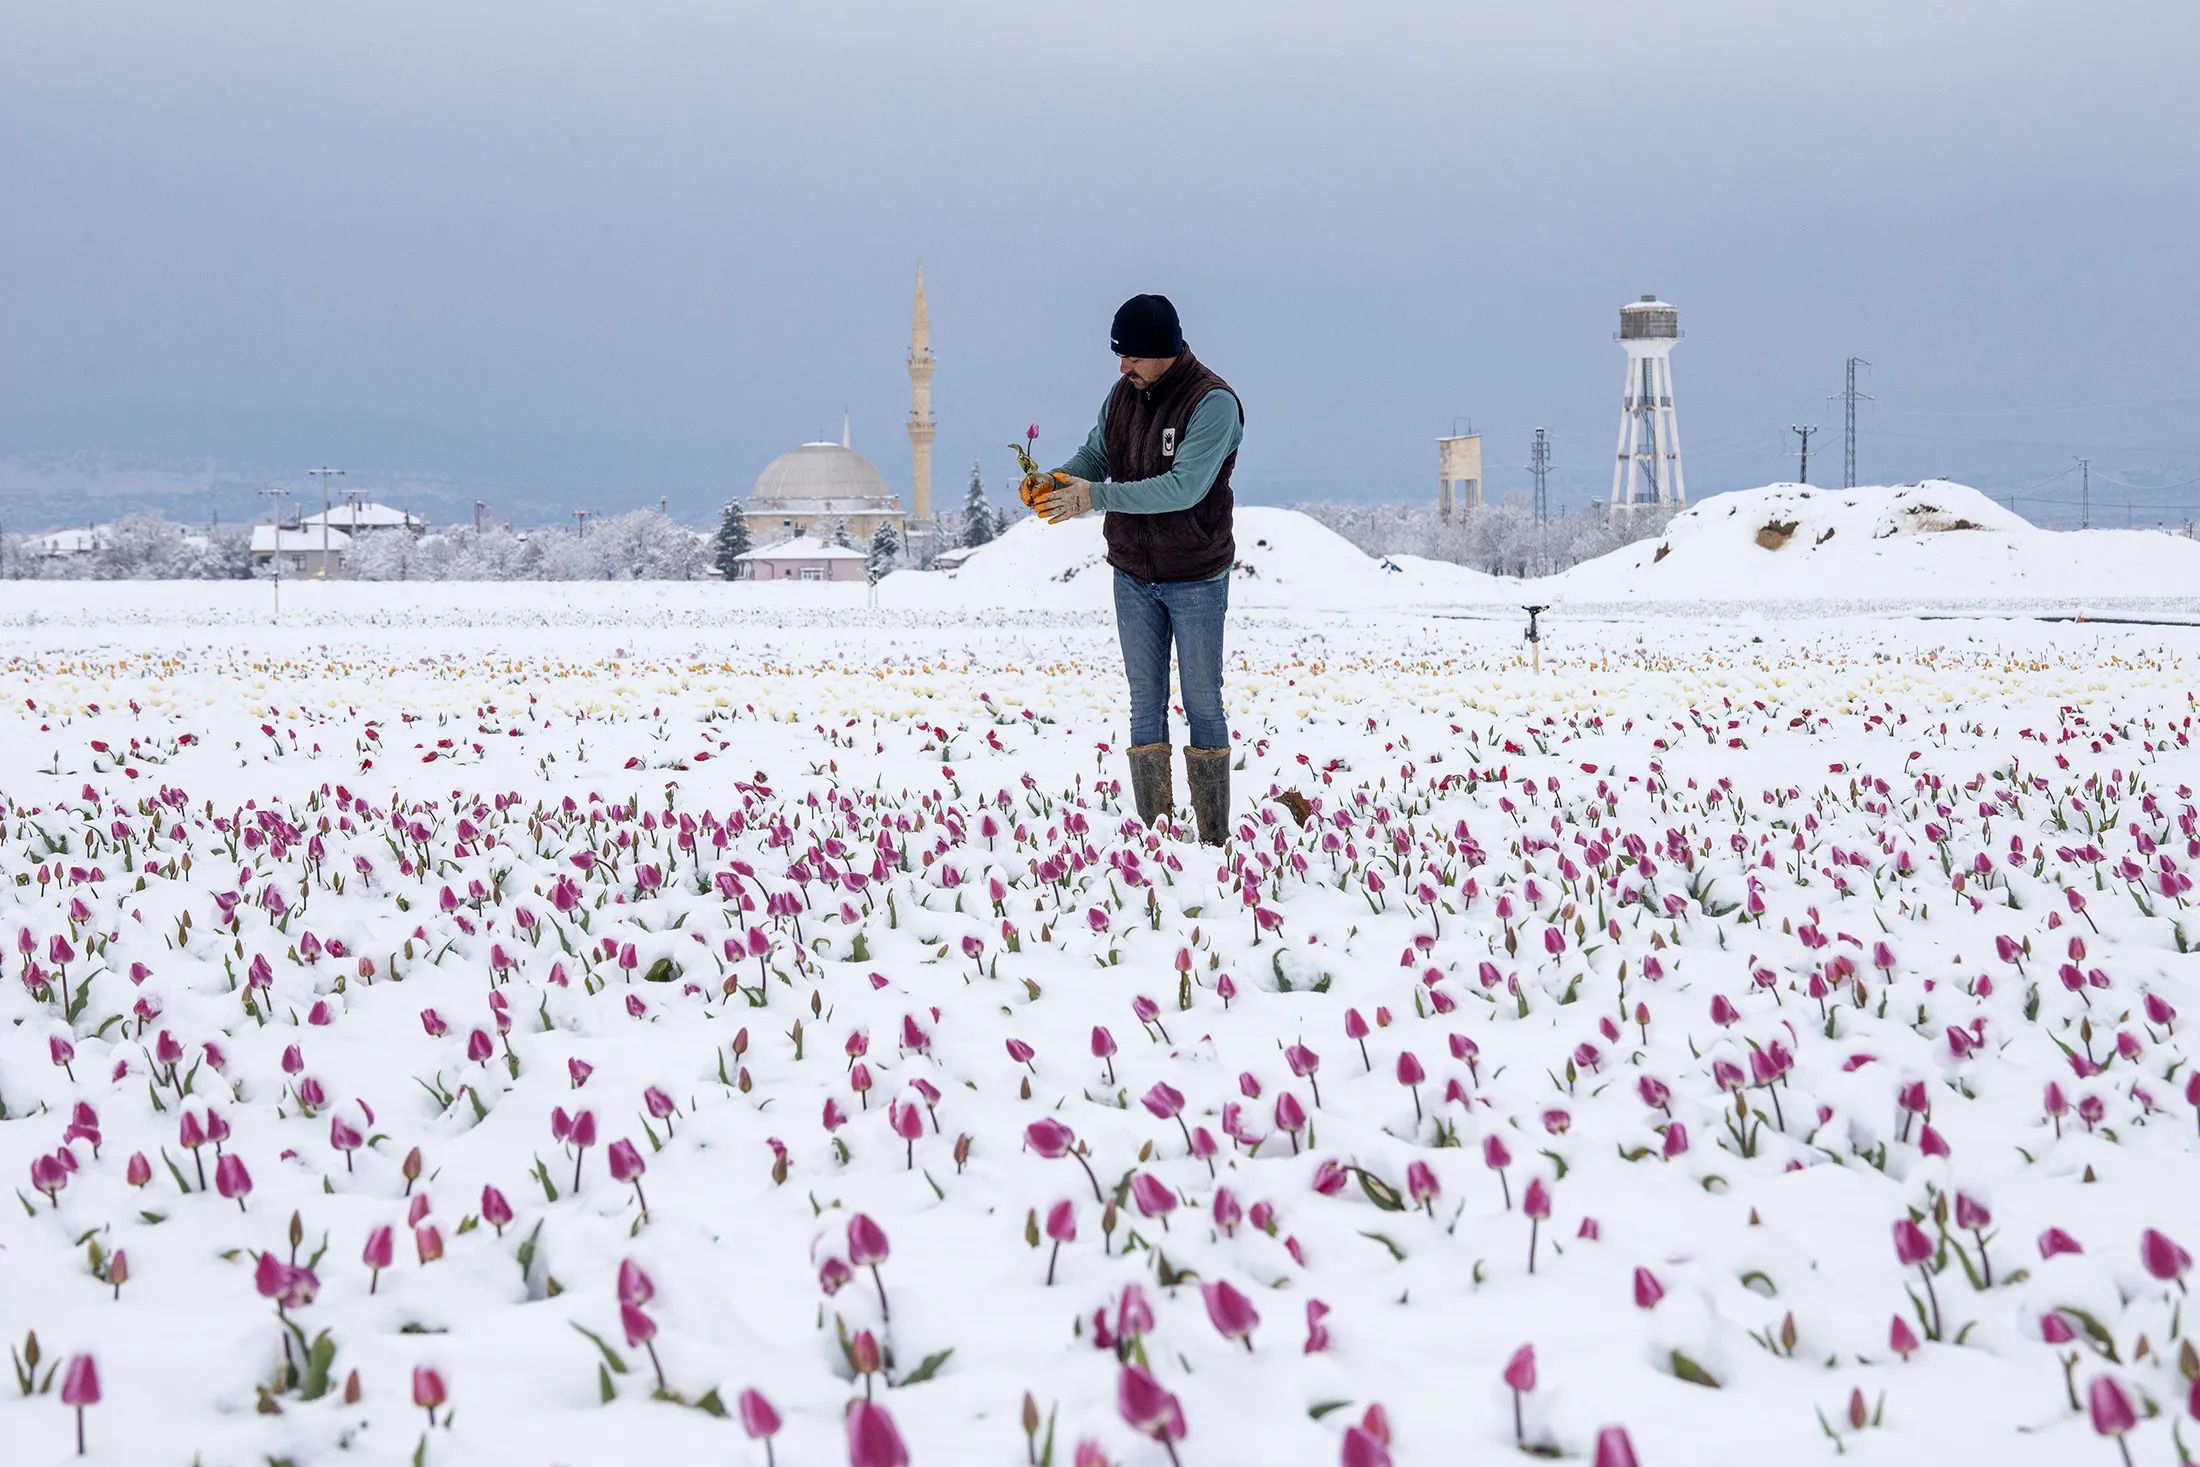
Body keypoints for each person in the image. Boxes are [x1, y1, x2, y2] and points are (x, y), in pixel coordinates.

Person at [1023, 294, 1244, 846]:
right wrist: (1055, 479)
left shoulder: (1212, 403)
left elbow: (1184, 488)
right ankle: (1156, 836)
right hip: (1132, 573)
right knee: (1144, 700)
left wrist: (1092, 498)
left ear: (1163, 352)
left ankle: (1213, 838)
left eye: (1132, 357)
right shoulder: (1124, 395)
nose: (1121, 367)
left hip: (1195, 574)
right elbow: (1097, 456)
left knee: (1201, 698)